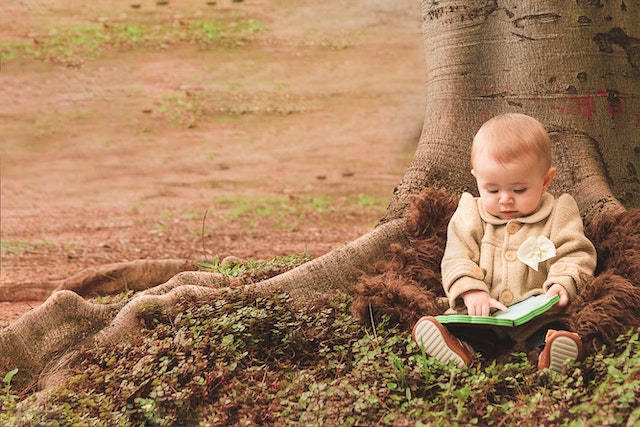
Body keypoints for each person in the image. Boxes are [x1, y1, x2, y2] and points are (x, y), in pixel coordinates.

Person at [412, 113, 597, 372]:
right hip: (482, 313)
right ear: (476, 177)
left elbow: (575, 252)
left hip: (538, 311)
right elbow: (457, 256)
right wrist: (470, 289)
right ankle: (460, 348)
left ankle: (551, 352)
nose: (505, 199)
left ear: (545, 181)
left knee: (555, 329)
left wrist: (563, 282)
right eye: (492, 190)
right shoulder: (470, 213)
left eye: (519, 190)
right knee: (465, 327)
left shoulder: (559, 212)